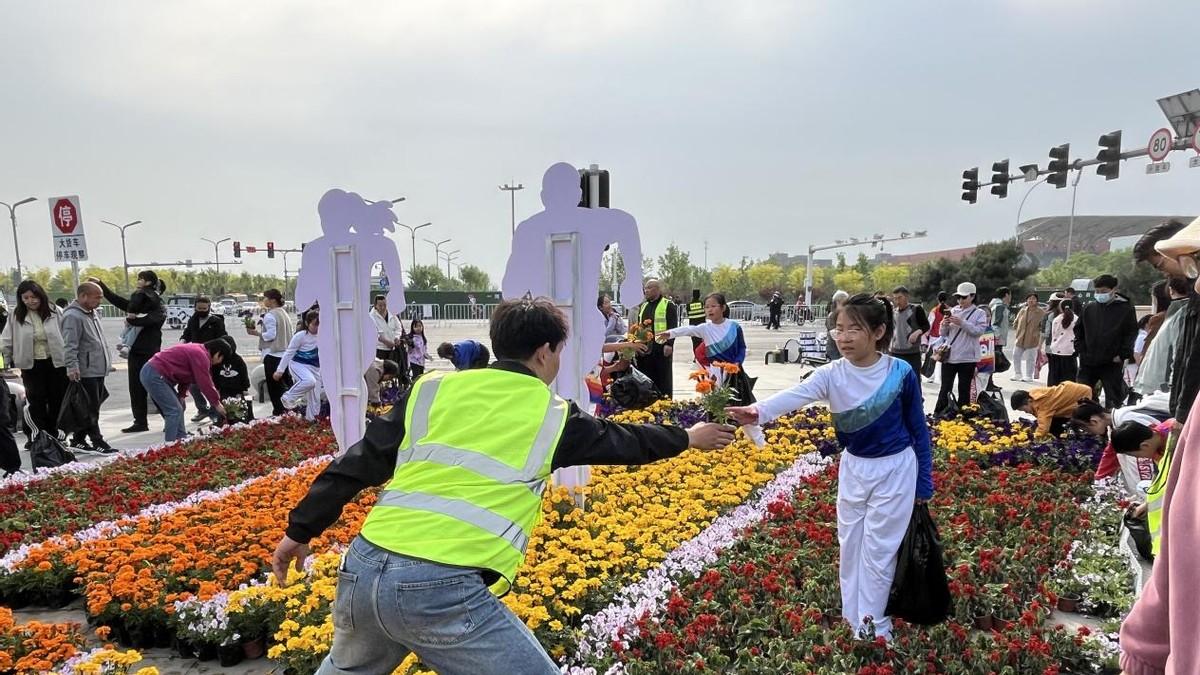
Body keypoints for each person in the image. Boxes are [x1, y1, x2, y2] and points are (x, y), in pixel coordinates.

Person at [270, 297, 735, 675]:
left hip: (364, 567)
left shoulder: (432, 389)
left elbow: (358, 462)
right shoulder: (551, 415)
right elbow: (628, 442)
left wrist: (299, 531)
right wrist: (688, 438)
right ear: (544, 352)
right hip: (439, 587)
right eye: (559, 352)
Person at [726, 293, 932, 640]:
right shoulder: (831, 374)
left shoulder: (900, 373)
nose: (844, 337)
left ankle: (876, 628)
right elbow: (797, 394)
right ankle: (853, 620)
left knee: (880, 551)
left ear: (879, 332)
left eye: (854, 329)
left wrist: (924, 483)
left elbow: (918, 430)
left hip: (896, 470)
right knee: (850, 547)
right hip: (854, 468)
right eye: (838, 329)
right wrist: (757, 412)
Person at [91, 272, 165, 433]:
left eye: (140, 279)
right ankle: (140, 421)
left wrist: (133, 320)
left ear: (148, 282)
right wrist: (101, 285)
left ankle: (170, 417)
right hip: (135, 351)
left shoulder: (156, 303)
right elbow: (120, 301)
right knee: (136, 388)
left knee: (155, 386)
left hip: (150, 351)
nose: (138, 282)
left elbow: (154, 319)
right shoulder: (139, 304)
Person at [657, 292, 755, 406]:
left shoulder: (734, 326)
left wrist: (737, 363)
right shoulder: (705, 328)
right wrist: (670, 333)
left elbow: (742, 348)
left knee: (734, 404)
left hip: (733, 371)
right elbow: (688, 329)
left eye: (713, 306)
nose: (710, 310)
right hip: (713, 372)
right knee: (713, 403)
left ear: (723, 308)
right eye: (707, 307)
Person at [1, 280, 69, 440]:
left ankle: (55, 435)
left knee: (57, 399)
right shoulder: (16, 314)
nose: (30, 301)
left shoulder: (55, 311)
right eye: (25, 298)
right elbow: (6, 340)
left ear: (41, 296)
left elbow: (67, 335)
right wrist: (6, 361)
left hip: (56, 362)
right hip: (31, 364)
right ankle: (37, 436)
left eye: (33, 297)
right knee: (35, 400)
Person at [60, 283, 114, 453]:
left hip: (97, 368)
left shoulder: (92, 313)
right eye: (97, 297)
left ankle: (78, 439)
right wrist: (72, 366)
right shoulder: (72, 316)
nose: (100, 301)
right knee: (90, 408)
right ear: (83, 296)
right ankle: (97, 441)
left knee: (92, 406)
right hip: (85, 370)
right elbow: (70, 344)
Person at [141, 339, 229, 442]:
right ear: (218, 353)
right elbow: (205, 382)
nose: (219, 362)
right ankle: (171, 444)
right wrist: (216, 403)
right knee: (174, 410)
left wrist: (182, 395)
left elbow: (187, 376)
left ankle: (181, 439)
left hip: (156, 374)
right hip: (155, 374)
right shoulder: (201, 355)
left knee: (179, 406)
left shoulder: (198, 351)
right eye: (221, 359)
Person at [1074, 274, 1138, 409]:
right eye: (1097, 291)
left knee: (1113, 399)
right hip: (1088, 361)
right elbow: (1078, 330)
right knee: (1083, 396)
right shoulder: (1089, 308)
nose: (1099, 294)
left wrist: (1122, 354)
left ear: (1114, 290)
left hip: (1111, 362)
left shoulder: (1125, 309)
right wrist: (1081, 349)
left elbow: (1131, 333)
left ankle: (1112, 419)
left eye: (1103, 291)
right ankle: (1087, 419)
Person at [933, 282, 988, 414]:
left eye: (964, 297)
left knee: (964, 389)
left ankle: (963, 415)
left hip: (968, 358)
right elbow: (943, 333)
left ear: (972, 296)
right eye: (958, 297)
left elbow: (978, 331)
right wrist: (944, 324)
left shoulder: (979, 313)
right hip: (950, 356)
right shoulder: (953, 311)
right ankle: (940, 413)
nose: (960, 300)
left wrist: (962, 323)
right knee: (945, 388)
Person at [1134, 275, 1191, 397]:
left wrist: (1171, 387)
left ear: (1171, 290)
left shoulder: (1179, 315)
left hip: (1162, 389)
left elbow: (1176, 354)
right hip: (1159, 386)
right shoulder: (1175, 313)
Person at [246, 289, 294, 416]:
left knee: (275, 388)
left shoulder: (270, 315)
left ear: (272, 300)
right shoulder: (284, 313)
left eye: (265, 298)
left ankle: (279, 412)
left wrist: (256, 333)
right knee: (286, 385)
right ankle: (289, 412)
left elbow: (270, 335)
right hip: (285, 355)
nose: (263, 301)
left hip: (273, 354)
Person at [180, 296, 228, 423]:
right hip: (195, 357)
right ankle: (202, 409)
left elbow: (223, 339)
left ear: (209, 308)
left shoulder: (216, 321)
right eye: (199, 308)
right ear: (195, 307)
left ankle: (214, 412)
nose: (201, 311)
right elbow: (187, 333)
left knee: (211, 386)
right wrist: (183, 341)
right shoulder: (193, 320)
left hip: (211, 357)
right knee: (193, 386)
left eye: (204, 309)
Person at [634, 279, 679, 398]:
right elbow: (639, 326)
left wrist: (670, 344)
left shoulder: (668, 305)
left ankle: (665, 402)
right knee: (646, 378)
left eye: (649, 288)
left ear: (658, 289)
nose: (646, 290)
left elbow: (673, 326)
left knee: (663, 378)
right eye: (645, 288)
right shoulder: (644, 306)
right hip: (645, 349)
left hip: (661, 348)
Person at [276, 310, 323, 420]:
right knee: (309, 381)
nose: (317, 327)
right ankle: (288, 397)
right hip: (298, 365)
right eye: (314, 324)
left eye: (319, 324)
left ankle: (312, 420)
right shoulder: (300, 336)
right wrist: (280, 370)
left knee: (315, 397)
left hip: (315, 368)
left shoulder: (323, 335)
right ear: (307, 323)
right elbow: (289, 352)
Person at [1009, 382, 1094, 438]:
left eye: (1023, 409)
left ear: (1029, 401)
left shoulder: (1042, 404)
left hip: (1081, 395)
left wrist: (1033, 439)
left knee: (1088, 421)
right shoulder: (1033, 395)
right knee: (1058, 425)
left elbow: (1043, 428)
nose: (1025, 412)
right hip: (1075, 392)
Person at [888, 286, 928, 375]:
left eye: (899, 298)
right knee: (897, 379)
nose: (897, 301)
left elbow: (926, 326)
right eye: (895, 298)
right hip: (895, 352)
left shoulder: (916, 309)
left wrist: (917, 332)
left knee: (914, 379)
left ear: (906, 297)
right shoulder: (893, 312)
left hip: (912, 353)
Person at [210, 335, 251, 424]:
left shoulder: (238, 359)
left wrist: (245, 387)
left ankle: (241, 420)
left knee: (240, 406)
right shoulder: (219, 360)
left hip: (237, 388)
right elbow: (215, 374)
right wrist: (216, 387)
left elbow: (243, 373)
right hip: (223, 388)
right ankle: (223, 421)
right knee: (224, 406)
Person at [1011, 292, 1046, 383]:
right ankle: (1017, 373)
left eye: (1033, 298)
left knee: (1030, 358)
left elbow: (1043, 326)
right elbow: (1016, 322)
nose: (1031, 300)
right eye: (1029, 298)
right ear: (1026, 300)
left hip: (1032, 339)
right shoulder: (1022, 310)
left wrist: (1037, 334)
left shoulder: (1041, 312)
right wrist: (1017, 330)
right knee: (1016, 355)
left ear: (1037, 300)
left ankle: (1029, 375)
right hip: (1020, 337)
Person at [1046, 298, 1078, 386]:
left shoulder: (1056, 319)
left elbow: (1054, 335)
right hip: (1070, 352)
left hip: (1056, 351)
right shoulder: (1077, 319)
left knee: (1054, 379)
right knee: (1068, 381)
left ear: (1060, 308)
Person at [370, 295, 404, 361]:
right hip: (379, 349)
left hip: (393, 349)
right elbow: (373, 333)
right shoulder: (371, 316)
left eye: (384, 305)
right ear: (375, 305)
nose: (383, 307)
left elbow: (398, 327)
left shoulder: (392, 314)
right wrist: (386, 342)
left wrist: (397, 337)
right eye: (380, 305)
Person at [988, 287, 1011, 378]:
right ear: (1006, 295)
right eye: (1010, 295)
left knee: (994, 360)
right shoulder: (1000, 306)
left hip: (995, 338)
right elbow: (996, 323)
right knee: (996, 361)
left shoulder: (996, 305)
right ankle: (989, 381)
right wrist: (996, 337)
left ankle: (989, 381)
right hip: (996, 338)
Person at [825, 290, 850, 361]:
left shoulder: (844, 314)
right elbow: (834, 334)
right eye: (845, 303)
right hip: (834, 349)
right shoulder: (832, 316)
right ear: (838, 302)